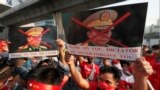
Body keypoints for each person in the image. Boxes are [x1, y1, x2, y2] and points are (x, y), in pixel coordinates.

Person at [65, 52, 153, 90]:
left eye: (108, 82)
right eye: (101, 79)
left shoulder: (122, 87)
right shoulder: (96, 87)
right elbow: (81, 82)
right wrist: (71, 64)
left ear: (117, 83)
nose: (103, 84)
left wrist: (141, 76)